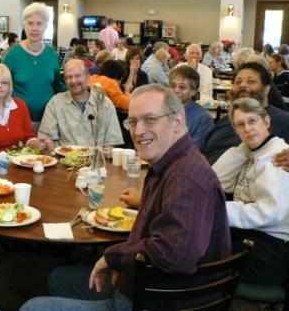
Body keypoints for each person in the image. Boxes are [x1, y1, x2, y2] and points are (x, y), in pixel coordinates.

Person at [22, 84, 231, 310]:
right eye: (132, 122)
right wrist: (124, 265)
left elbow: (174, 252)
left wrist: (114, 257)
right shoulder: (175, 162)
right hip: (148, 283)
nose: (138, 131)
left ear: (177, 122)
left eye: (150, 119)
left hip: (159, 299)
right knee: (58, 277)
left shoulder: (184, 178)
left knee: (33, 307)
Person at [212, 97, 289, 285]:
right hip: (248, 233)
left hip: (270, 249)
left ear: (267, 121)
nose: (247, 128)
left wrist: (215, 210)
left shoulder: (278, 156)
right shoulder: (252, 151)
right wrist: (242, 149)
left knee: (199, 250)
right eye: (240, 125)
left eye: (252, 120)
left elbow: (269, 212)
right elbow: (215, 182)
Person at [204, 62, 289, 164]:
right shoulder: (227, 120)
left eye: (251, 81)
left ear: (266, 89)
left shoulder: (284, 121)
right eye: (238, 82)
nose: (243, 85)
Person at [3, 2, 66, 125]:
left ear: (45, 26)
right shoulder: (12, 54)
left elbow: (58, 85)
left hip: (48, 121)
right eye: (30, 23)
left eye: (39, 23)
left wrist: (82, 92)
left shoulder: (51, 54)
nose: (34, 28)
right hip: (18, 120)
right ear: (24, 25)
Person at [38, 59, 123, 147]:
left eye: (78, 76)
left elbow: (112, 142)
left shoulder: (105, 104)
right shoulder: (55, 103)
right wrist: (47, 145)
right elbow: (46, 138)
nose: (73, 81)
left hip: (96, 159)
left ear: (88, 77)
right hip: (64, 159)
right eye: (69, 77)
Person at [169, 65, 214, 150]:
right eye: (173, 86)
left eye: (182, 87)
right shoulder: (162, 110)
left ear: (193, 91)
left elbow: (193, 150)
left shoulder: (203, 118)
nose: (176, 90)